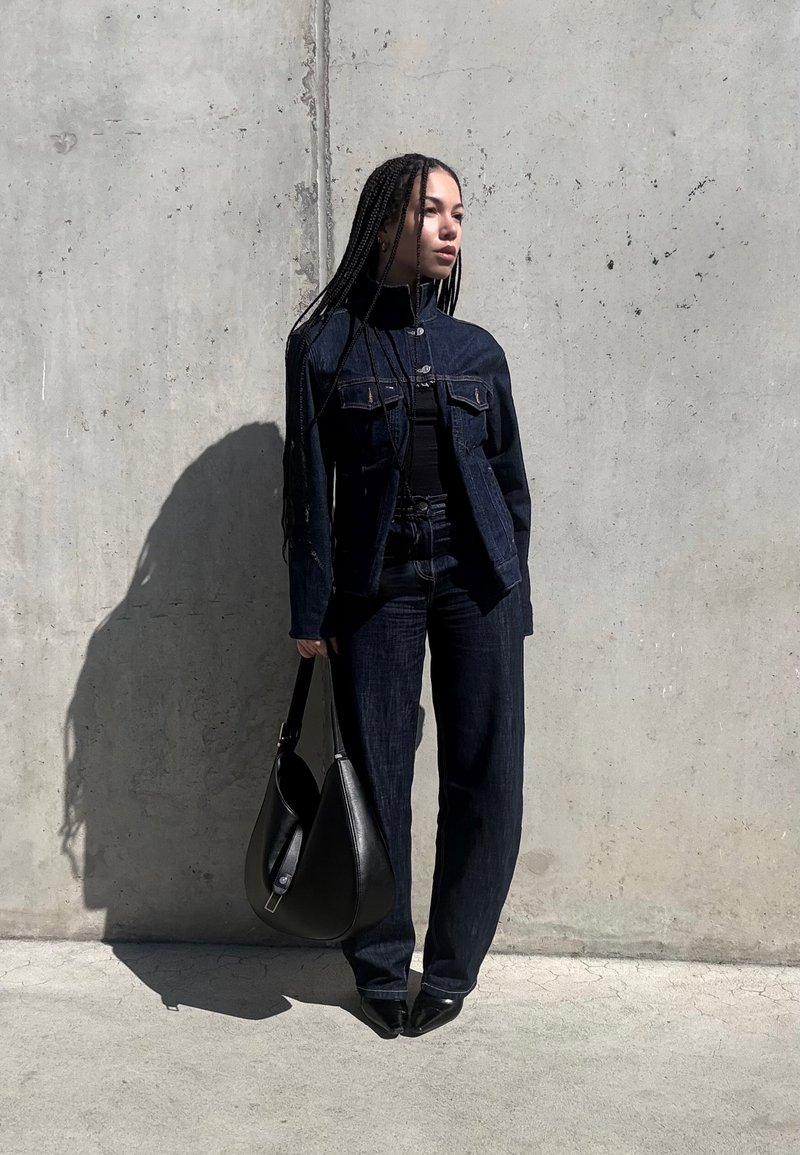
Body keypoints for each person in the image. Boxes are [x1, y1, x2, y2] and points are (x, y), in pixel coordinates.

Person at [282, 153, 533, 1037]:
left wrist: (515, 589)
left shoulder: (477, 351)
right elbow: (307, 490)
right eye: (432, 210)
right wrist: (310, 610)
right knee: (377, 775)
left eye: (458, 212)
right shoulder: (323, 346)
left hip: (477, 582)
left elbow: (510, 482)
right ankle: (382, 965)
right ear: (385, 220)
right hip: (376, 586)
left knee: (487, 776)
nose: (450, 227)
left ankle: (454, 966)